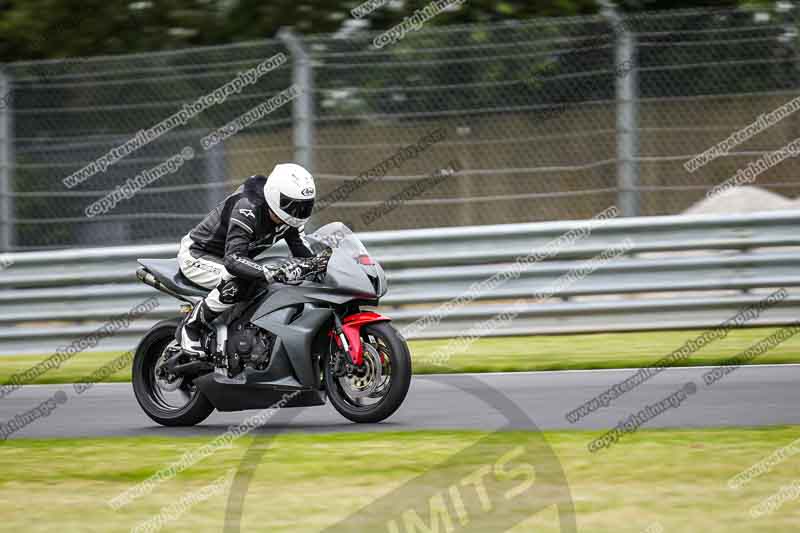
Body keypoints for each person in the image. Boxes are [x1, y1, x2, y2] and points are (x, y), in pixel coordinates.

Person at [177, 163, 329, 356]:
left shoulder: (289, 218)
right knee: (240, 282)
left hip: (232, 258)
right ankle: (191, 326)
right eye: (293, 205)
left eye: (305, 207)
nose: (298, 212)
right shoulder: (248, 208)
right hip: (198, 254)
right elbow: (233, 260)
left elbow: (303, 251)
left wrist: (322, 263)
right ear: (275, 196)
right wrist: (270, 272)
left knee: (271, 284)